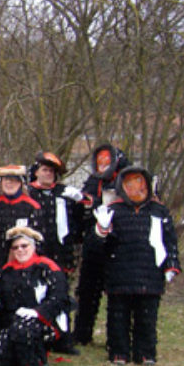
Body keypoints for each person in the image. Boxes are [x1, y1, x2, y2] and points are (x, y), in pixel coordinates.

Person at [93, 166, 180, 366]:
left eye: (140, 184)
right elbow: (101, 247)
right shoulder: (113, 210)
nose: (136, 189)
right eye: (130, 184)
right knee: (118, 316)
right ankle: (118, 352)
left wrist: (171, 265)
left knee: (147, 317)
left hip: (150, 273)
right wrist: (102, 230)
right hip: (120, 272)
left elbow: (170, 240)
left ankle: (145, 353)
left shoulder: (159, 210)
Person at [0, 226, 69, 366]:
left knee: (24, 332)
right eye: (15, 247)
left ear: (33, 246)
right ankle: (19, 357)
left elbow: (60, 297)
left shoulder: (47, 267)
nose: (20, 250)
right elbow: (1, 301)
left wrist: (37, 312)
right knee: (0, 354)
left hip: (43, 320)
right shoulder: (6, 271)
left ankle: (37, 362)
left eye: (24, 246)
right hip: (14, 321)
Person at [0, 164, 42, 354]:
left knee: (16, 302)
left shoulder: (32, 207)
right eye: (6, 180)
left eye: (13, 181)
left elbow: (38, 239)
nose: (9, 184)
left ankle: (17, 342)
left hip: (21, 265)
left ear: (21, 183)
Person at [27, 151, 88, 355]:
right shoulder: (28, 193)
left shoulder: (65, 193)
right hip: (35, 253)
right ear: (36, 172)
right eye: (45, 170)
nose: (48, 175)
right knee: (36, 295)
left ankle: (63, 338)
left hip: (61, 253)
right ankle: (38, 336)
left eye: (52, 172)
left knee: (61, 296)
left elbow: (82, 220)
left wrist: (82, 202)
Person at [73, 143, 131, 346]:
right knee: (87, 291)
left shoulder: (127, 180)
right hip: (93, 242)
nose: (103, 164)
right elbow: (82, 210)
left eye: (107, 161)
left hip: (120, 244)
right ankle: (81, 334)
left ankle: (116, 337)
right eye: (100, 161)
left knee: (117, 293)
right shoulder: (92, 181)